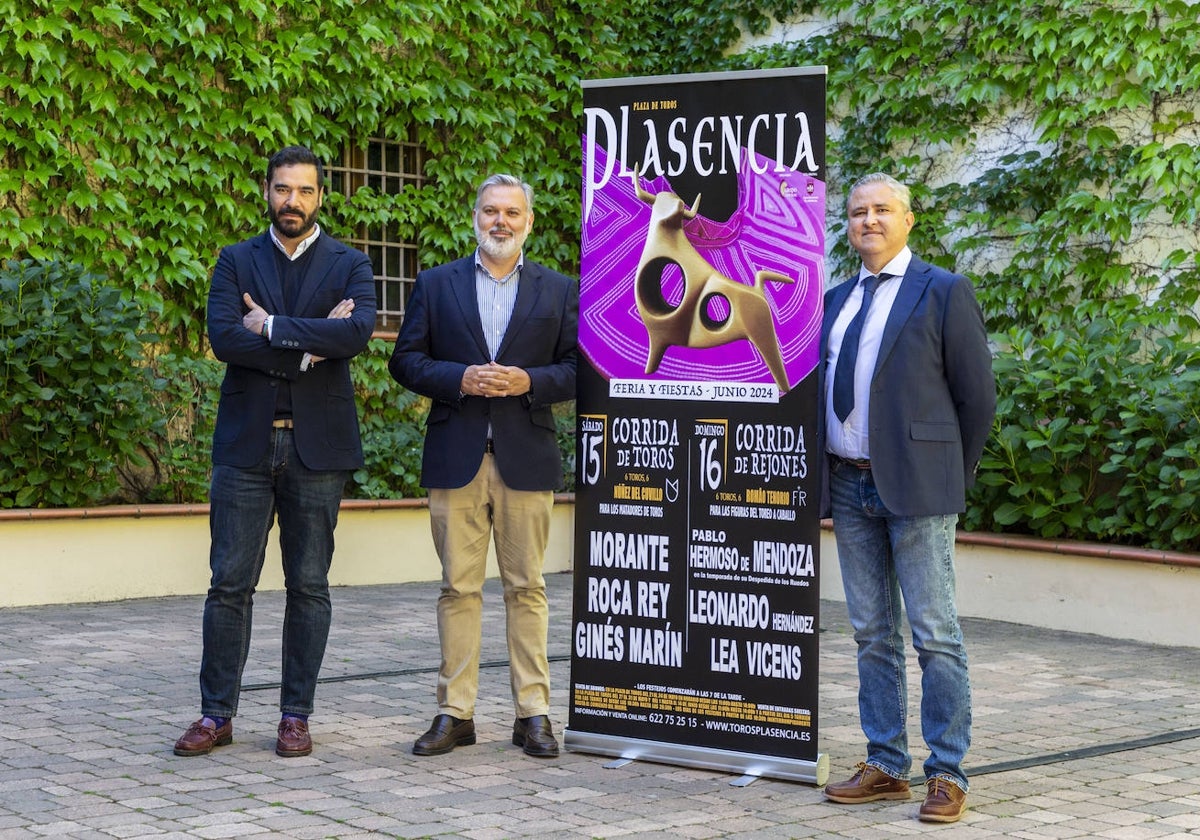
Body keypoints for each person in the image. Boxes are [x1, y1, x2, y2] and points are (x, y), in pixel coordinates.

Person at [173, 145, 376, 759]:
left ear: (321, 196)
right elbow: (225, 339)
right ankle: (216, 715)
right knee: (228, 584)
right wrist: (312, 344)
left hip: (319, 447)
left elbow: (358, 333)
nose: (294, 201)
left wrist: (273, 325)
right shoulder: (236, 260)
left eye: (305, 191)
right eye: (284, 189)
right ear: (267, 190)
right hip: (245, 445)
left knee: (308, 585)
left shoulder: (351, 263)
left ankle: (295, 716)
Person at [820, 173, 996, 822]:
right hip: (847, 479)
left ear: (908, 220)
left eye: (882, 210)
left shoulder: (943, 291)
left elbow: (977, 398)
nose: (868, 220)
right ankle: (886, 764)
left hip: (920, 488)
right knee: (871, 632)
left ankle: (947, 773)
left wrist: (950, 472)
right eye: (858, 212)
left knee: (934, 633)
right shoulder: (836, 299)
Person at [389, 173, 577, 758]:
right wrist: (459, 379)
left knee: (528, 588)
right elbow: (406, 361)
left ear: (529, 221)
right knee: (458, 589)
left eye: (512, 213)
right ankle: (455, 713)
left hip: (527, 456)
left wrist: (530, 382)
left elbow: (580, 369)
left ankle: (534, 714)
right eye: (491, 211)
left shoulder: (559, 290)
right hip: (456, 458)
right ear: (475, 216)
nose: (501, 221)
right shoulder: (436, 284)